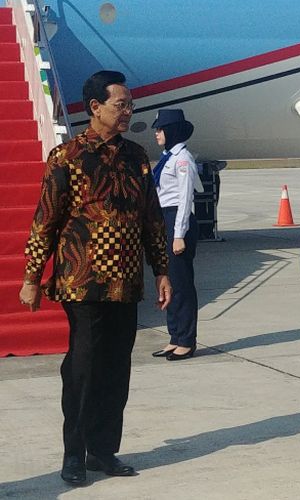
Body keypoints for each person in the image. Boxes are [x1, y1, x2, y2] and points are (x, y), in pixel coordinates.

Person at [18, 70, 171, 486]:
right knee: (83, 368)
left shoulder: (136, 157)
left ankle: (103, 450)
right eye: (121, 105)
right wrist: (33, 275)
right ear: (95, 108)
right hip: (80, 281)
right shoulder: (66, 157)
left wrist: (161, 270)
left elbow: (152, 220)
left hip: (124, 282)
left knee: (116, 368)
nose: (128, 112)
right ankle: (73, 453)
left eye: (130, 105)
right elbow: (45, 221)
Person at [150, 109, 202, 361]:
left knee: (181, 284)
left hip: (176, 221)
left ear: (171, 131)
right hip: (164, 219)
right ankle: (175, 336)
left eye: (160, 128)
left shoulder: (183, 159)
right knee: (167, 282)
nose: (157, 133)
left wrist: (179, 233)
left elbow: (184, 199)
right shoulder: (167, 158)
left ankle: (187, 340)